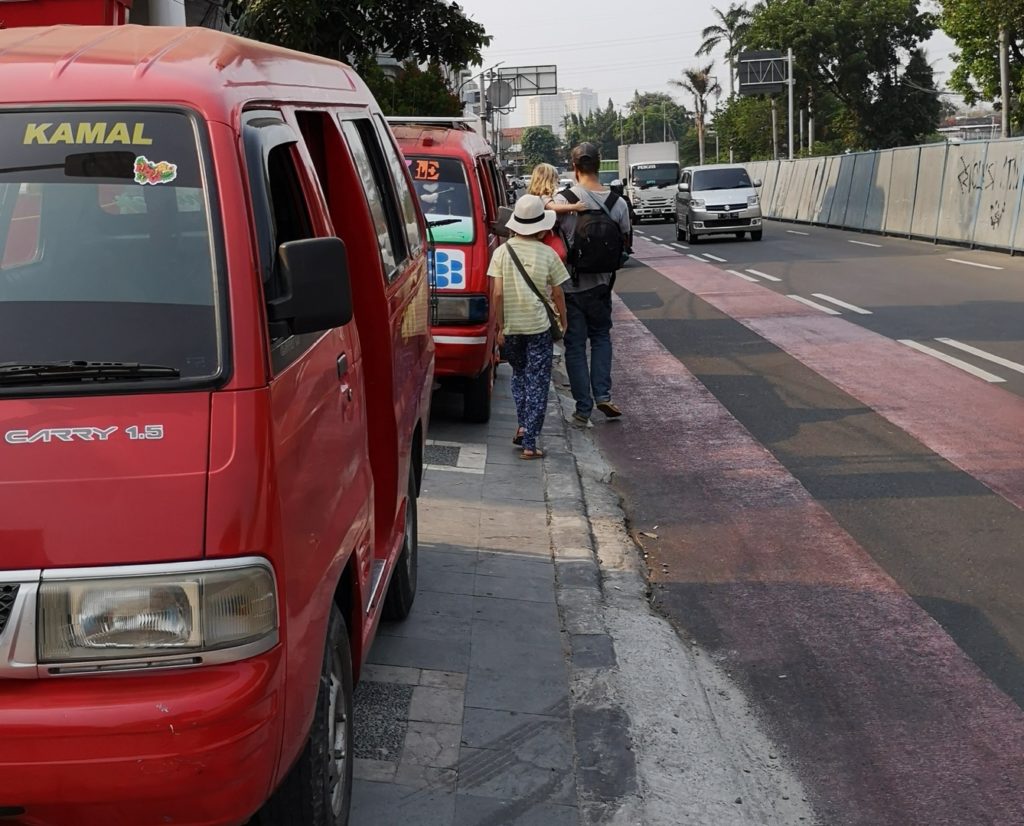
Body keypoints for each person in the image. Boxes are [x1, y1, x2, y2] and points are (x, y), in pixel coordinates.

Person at [488, 194, 570, 459]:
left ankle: (523, 425)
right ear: (541, 227)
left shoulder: (501, 252)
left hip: (511, 327)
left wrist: (500, 327)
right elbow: (558, 294)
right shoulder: (548, 253)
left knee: (519, 377)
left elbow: (497, 294)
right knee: (538, 382)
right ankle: (530, 443)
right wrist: (563, 320)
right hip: (538, 327)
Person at [555, 142, 632, 425]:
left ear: (575, 168)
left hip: (570, 285)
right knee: (601, 338)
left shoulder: (563, 200)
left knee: (574, 346)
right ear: (599, 166)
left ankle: (582, 409)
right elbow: (625, 242)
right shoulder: (618, 203)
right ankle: (603, 395)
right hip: (602, 285)